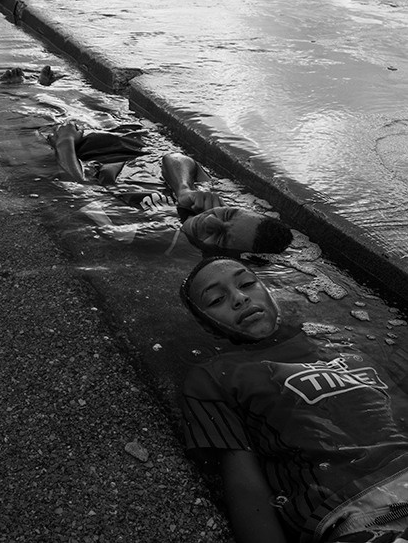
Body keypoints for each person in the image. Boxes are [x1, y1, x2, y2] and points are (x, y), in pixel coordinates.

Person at [180, 257, 408, 543]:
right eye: (216, 299)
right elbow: (245, 485)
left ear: (269, 291)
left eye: (248, 283)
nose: (239, 298)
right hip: (359, 511)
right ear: (209, 328)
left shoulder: (351, 344)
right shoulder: (215, 376)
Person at [46, 121, 292, 256]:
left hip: (81, 154)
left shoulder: (157, 239)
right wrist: (184, 189)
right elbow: (175, 157)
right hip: (131, 141)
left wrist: (65, 141)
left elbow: (78, 190)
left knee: (49, 127)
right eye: (227, 214)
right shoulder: (203, 203)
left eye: (222, 236)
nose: (211, 222)